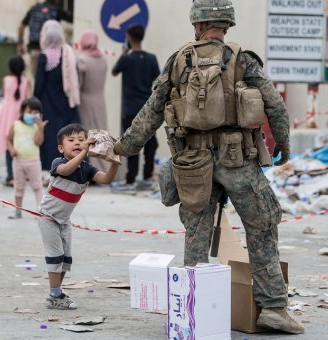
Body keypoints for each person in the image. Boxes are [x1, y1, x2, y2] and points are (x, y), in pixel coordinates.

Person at [113, 0, 303, 334]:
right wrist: (283, 145)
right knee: (261, 227)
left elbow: (151, 110)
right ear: (226, 24)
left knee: (197, 235)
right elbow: (274, 105)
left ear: (196, 26)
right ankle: (273, 307)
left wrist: (123, 148)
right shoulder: (242, 59)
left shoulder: (178, 61)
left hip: (192, 163)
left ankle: (193, 308)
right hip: (238, 162)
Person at [37, 123, 119, 309]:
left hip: (64, 221)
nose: (78, 143)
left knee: (65, 259)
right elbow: (66, 171)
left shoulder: (87, 169)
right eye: (71, 140)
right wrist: (85, 151)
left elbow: (106, 179)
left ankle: (57, 293)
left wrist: (115, 160)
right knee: (55, 257)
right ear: (61, 147)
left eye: (82, 140)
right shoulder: (58, 163)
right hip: (48, 217)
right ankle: (54, 296)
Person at [111, 24, 160, 194]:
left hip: (130, 108)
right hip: (148, 108)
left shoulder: (127, 59)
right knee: (150, 143)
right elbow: (157, 78)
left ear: (129, 38)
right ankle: (146, 178)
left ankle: (130, 180)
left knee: (132, 143)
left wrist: (124, 53)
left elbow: (114, 72)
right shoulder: (152, 58)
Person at [34, 20, 80, 171]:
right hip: (66, 102)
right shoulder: (68, 53)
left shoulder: (45, 56)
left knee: (50, 136)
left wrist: (34, 103)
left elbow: (39, 83)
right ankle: (70, 166)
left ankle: (51, 168)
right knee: (67, 136)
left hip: (48, 103)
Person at [6, 97, 47, 219]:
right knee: (18, 187)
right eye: (30, 112)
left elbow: (38, 142)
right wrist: (12, 149)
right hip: (18, 161)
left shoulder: (36, 127)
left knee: (37, 186)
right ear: (23, 112)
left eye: (36, 112)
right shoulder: (16, 125)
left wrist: (40, 128)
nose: (33, 115)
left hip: (33, 161)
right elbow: (8, 140)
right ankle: (18, 211)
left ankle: (40, 211)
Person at [75, 30, 109, 172]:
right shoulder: (103, 59)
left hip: (86, 100)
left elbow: (79, 84)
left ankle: (92, 169)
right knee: (101, 133)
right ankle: (105, 167)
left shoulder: (82, 60)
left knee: (88, 134)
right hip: (100, 99)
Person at [0, 55, 31, 187]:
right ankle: (23, 175)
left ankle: (11, 176)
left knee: (8, 146)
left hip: (7, 116)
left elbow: (4, 96)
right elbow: (28, 99)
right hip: (20, 116)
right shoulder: (27, 81)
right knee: (22, 145)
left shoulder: (6, 80)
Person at [17, 0, 72, 81]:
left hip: (34, 49)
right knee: (51, 80)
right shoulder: (57, 10)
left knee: (37, 79)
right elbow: (73, 19)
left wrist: (20, 44)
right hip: (51, 52)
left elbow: (21, 26)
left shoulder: (35, 8)